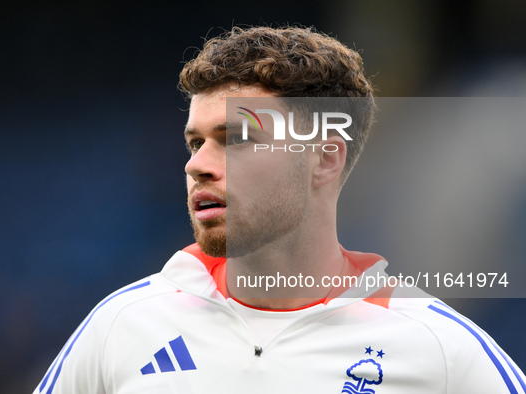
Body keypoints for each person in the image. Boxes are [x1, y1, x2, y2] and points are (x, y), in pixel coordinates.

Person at [34, 26, 526, 393]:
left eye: (237, 139)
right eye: (195, 143)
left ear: (324, 158)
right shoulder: (123, 325)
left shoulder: (437, 348)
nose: (198, 166)